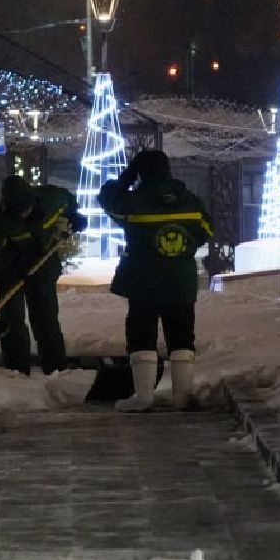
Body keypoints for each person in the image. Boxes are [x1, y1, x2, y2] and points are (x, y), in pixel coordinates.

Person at [98, 149, 212, 411]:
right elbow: (206, 230)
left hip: (143, 279)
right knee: (182, 335)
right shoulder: (190, 201)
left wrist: (126, 176)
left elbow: (106, 198)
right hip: (180, 280)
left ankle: (144, 397)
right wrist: (184, 246)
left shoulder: (133, 202)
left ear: (141, 172)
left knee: (141, 334)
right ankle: (182, 396)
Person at [0, 175, 83, 375]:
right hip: (10, 270)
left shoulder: (52, 198)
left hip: (43, 263)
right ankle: (16, 371)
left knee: (46, 319)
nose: (22, 214)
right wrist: (14, 268)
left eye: (25, 209)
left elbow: (69, 203)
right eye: (17, 211)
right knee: (12, 322)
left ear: (33, 199)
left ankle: (55, 370)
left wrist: (76, 216)